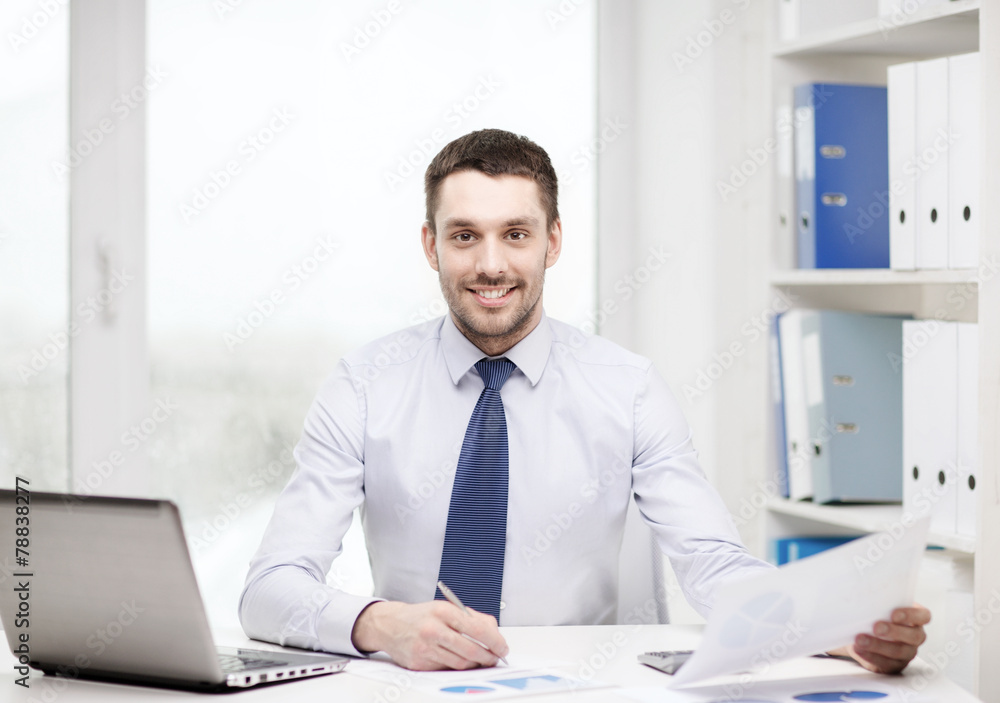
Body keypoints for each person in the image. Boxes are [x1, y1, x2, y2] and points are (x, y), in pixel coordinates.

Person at [239, 128, 929, 673]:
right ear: (430, 245)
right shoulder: (364, 383)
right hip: (412, 684)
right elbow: (270, 588)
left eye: (516, 233)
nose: (490, 264)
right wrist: (380, 622)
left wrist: (835, 631)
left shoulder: (627, 387)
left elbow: (714, 564)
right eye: (463, 236)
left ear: (553, 241)